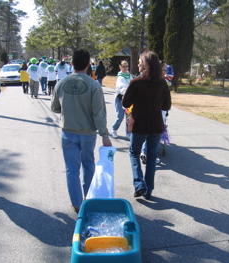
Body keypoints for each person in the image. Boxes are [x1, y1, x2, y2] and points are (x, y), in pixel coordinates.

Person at [51, 49, 112, 213]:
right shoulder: (94, 85)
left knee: (72, 170)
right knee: (88, 165)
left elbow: (54, 107)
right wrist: (105, 136)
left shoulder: (62, 83)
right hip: (88, 134)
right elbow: (98, 114)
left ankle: (77, 204)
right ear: (88, 65)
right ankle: (90, 198)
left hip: (68, 132)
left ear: (72, 64)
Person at [122, 51, 171, 200]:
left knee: (134, 154)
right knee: (151, 158)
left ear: (145, 64)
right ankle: (148, 190)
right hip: (156, 125)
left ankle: (139, 184)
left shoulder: (136, 82)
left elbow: (125, 103)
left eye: (139, 62)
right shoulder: (162, 82)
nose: (137, 64)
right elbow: (166, 105)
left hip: (139, 125)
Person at [140, 62, 168, 165]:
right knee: (153, 135)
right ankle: (149, 155)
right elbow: (166, 104)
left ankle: (144, 152)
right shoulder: (159, 82)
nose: (165, 72)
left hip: (149, 114)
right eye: (164, 70)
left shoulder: (153, 80)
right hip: (157, 114)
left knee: (147, 134)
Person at [112, 60, 132, 139]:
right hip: (120, 98)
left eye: (126, 66)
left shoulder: (129, 75)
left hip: (128, 99)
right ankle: (114, 129)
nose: (125, 68)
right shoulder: (120, 77)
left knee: (129, 116)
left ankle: (128, 133)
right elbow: (121, 87)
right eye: (123, 66)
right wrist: (128, 92)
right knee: (120, 116)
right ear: (120, 67)